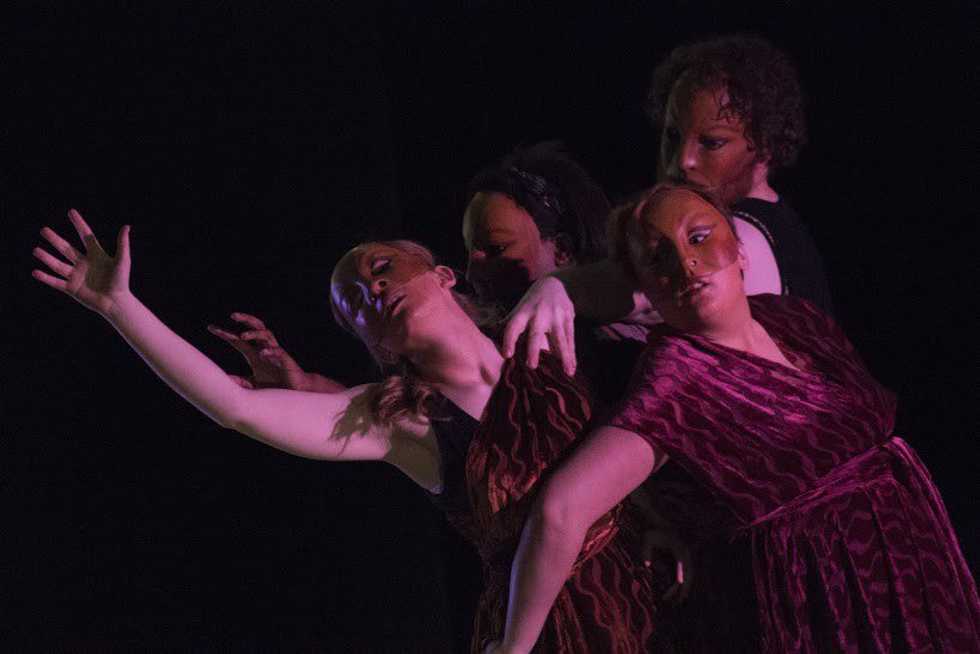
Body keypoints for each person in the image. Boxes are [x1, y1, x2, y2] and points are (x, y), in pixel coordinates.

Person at [31, 211, 656, 652]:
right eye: (356, 303)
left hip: (654, 589)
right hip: (551, 634)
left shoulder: (540, 333)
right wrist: (121, 308)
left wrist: (559, 285)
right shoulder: (401, 422)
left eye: (382, 268)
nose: (374, 288)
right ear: (375, 345)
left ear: (442, 274)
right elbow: (233, 407)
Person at [488, 183, 980, 653]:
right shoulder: (678, 378)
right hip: (830, 593)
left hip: (910, 558)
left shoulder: (791, 318)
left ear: (740, 250)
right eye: (658, 259)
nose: (687, 263)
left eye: (699, 237)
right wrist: (514, 645)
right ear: (644, 290)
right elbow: (562, 509)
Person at [648, 33, 833, 315]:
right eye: (673, 135)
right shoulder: (779, 226)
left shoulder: (741, 238)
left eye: (712, 143)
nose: (683, 161)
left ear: (764, 146)